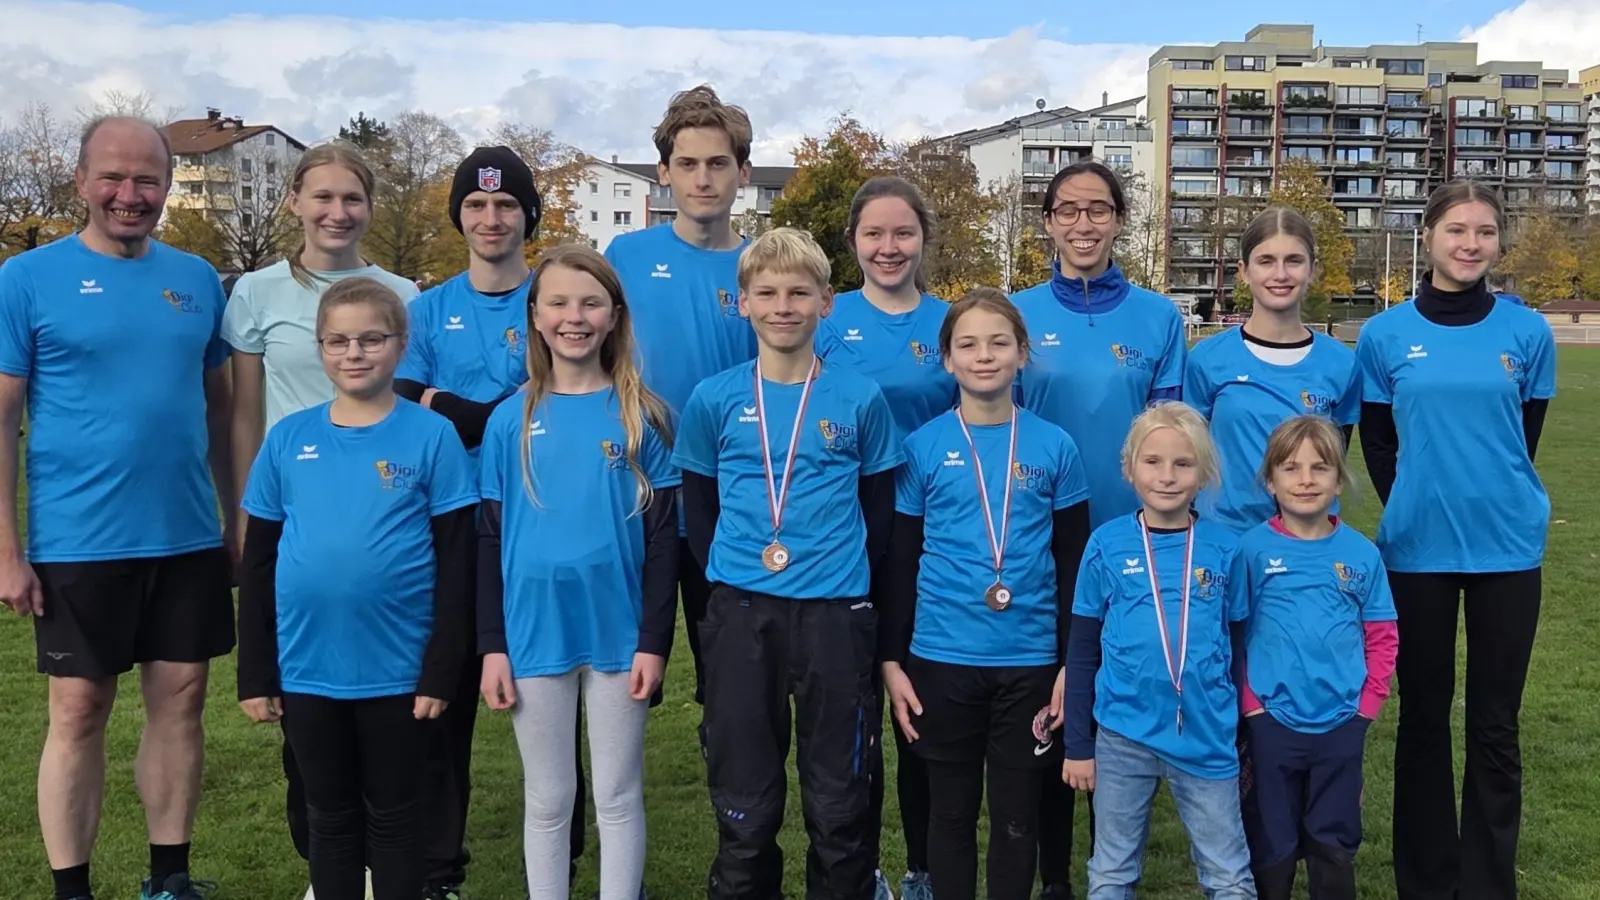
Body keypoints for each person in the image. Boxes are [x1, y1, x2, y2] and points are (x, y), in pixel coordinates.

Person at [0, 115, 237, 900]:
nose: (129, 195)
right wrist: (6, 550)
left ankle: (169, 878)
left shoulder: (198, 280)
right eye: (113, 177)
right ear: (80, 181)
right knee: (78, 710)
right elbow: (1, 420)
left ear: (168, 187)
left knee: (183, 699)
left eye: (146, 180)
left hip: (185, 535)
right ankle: (73, 889)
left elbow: (219, 406)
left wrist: (232, 518)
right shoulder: (27, 280)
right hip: (78, 537)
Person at [674, 227, 901, 900]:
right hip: (743, 616)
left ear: (826, 303)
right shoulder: (713, 399)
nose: (783, 306)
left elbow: (879, 515)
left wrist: (838, 577)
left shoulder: (859, 399)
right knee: (745, 798)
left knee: (838, 802)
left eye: (799, 292)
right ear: (741, 303)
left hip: (835, 616)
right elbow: (700, 510)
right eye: (766, 292)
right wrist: (745, 571)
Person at [235, 276, 478, 900]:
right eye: (338, 341)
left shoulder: (432, 438)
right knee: (330, 817)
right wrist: (257, 674)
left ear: (400, 344)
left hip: (399, 673)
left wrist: (440, 671)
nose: (354, 353)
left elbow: (457, 563)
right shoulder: (288, 440)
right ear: (319, 348)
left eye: (372, 339)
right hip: (308, 670)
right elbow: (258, 563)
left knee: (397, 820)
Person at [221, 140, 418, 879]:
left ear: (369, 207)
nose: (338, 212)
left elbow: (410, 412)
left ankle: (394, 866)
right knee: (306, 711)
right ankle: (328, 867)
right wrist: (245, 515)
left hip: (381, 523)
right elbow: (245, 414)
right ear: (296, 201)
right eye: (323, 197)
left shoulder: (403, 292)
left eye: (353, 198)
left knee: (390, 709)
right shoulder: (256, 293)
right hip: (293, 516)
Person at [1355, 180, 1556, 900]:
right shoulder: (1382, 335)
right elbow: (1378, 447)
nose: (1470, 244)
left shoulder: (1527, 332)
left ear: (1497, 242)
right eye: (1456, 230)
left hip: (1507, 549)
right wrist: (1418, 502)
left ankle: (1486, 884)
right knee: (1423, 720)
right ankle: (1427, 881)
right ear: (1430, 236)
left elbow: (1522, 439)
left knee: (1497, 725)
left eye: (1484, 232)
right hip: (1416, 552)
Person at [476, 245, 679, 900]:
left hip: (620, 636)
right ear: (535, 316)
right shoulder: (511, 418)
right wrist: (492, 648)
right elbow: (489, 539)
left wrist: (655, 641)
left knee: (618, 795)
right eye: (559, 302)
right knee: (549, 797)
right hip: (534, 635)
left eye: (591, 302)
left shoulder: (642, 416)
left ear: (614, 315)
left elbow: (663, 544)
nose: (575, 316)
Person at [1010, 159, 1186, 897]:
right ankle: (1055, 876)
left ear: (1120, 220)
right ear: (1047, 222)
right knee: (1050, 706)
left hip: (1131, 543)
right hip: (1037, 544)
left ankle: (1111, 866)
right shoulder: (1017, 313)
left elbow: (1174, 433)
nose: (1083, 224)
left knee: (1118, 707)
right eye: (1068, 211)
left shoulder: (1160, 318)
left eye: (1099, 210)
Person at [880, 288, 1091, 900]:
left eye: (999, 343)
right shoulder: (920, 448)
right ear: (947, 358)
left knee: (1018, 817)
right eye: (968, 344)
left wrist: (1068, 663)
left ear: (1022, 353)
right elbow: (902, 561)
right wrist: (892, 661)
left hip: (1028, 663)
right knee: (948, 815)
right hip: (942, 659)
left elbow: (1072, 559)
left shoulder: (1055, 446)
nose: (984, 356)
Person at [392, 145, 544, 900]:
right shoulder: (428, 308)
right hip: (449, 522)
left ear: (528, 217)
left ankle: (560, 864)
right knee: (442, 696)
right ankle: (436, 870)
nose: (491, 218)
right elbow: (405, 389)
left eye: (507, 205)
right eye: (478, 205)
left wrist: (472, 416)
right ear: (460, 215)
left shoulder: (556, 296)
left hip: (543, 516)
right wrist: (486, 413)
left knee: (554, 694)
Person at [817, 175, 956, 900]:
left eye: (903, 232)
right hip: (844, 539)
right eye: (874, 233)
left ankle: (925, 871)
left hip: (937, 544)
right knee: (854, 718)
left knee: (919, 720)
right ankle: (861, 866)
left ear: (923, 238)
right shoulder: (824, 319)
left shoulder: (951, 323)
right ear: (853, 242)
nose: (889, 247)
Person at [605, 84, 760, 711]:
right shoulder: (624, 255)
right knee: (620, 681)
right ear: (664, 173)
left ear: (743, 173)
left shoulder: (759, 268)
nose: (703, 179)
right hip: (632, 492)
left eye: (718, 164)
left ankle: (738, 802)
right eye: (688, 164)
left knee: (730, 683)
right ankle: (603, 808)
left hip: (728, 502)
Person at [1062, 401, 1254, 899]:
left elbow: (1238, 646)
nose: (1167, 476)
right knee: (1111, 870)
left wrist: (1239, 730)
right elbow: (1082, 651)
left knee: (1228, 872)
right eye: (1153, 462)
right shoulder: (1106, 545)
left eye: (1183, 463)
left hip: (1207, 735)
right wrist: (1079, 746)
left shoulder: (1225, 550)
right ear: (1129, 469)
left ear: (1204, 473)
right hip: (1123, 734)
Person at [1234, 415, 1397, 900]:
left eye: (1320, 467)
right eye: (1290, 468)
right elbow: (1234, 635)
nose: (1305, 479)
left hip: (1342, 724)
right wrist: (1252, 706)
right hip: (1271, 723)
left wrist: (1366, 707)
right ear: (1270, 479)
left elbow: (1383, 636)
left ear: (1339, 479)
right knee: (1272, 842)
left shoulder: (1361, 554)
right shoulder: (1252, 550)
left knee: (1333, 841)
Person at [1184, 207, 1361, 534]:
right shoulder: (1207, 359)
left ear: (1313, 270)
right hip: (1225, 541)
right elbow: (1192, 456)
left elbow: (1333, 459)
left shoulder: (1342, 363)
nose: (1280, 274)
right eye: (1266, 261)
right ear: (1244, 271)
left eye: (1294, 261)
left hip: (1307, 544)